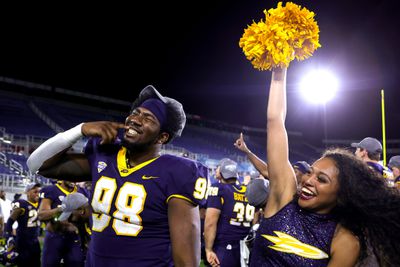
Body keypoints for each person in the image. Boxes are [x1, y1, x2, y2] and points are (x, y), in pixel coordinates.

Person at [27, 85, 208, 267]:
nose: (136, 120)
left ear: (162, 137)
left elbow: (186, 262)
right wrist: (80, 129)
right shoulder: (106, 155)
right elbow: (36, 164)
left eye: (148, 118)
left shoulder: (176, 172)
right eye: (136, 113)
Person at [249, 67, 400, 266]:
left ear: (343, 193)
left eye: (322, 179)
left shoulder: (345, 241)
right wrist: (280, 67)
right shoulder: (284, 198)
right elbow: (275, 121)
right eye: (310, 172)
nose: (308, 180)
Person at [205, 158, 255, 267]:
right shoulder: (247, 191)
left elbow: (210, 223)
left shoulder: (218, 188)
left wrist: (208, 249)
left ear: (221, 172)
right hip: (245, 248)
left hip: (224, 248)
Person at [38, 180, 88, 267]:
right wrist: (62, 208)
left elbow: (88, 216)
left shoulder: (83, 192)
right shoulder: (51, 190)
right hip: (54, 237)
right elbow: (42, 215)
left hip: (75, 238)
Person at [4, 182, 41, 267]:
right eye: (35, 192)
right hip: (23, 242)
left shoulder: (41, 204)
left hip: (35, 241)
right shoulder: (22, 204)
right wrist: (8, 236)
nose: (37, 194)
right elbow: (10, 221)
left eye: (38, 192)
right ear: (27, 192)